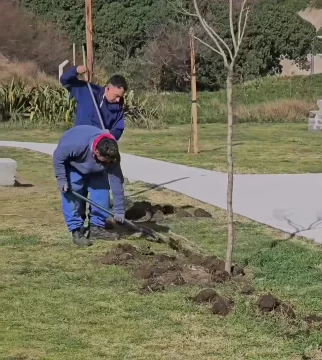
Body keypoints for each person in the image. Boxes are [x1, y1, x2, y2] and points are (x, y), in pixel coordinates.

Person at [53, 125, 126, 247]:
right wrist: (61, 179)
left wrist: (119, 210)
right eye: (105, 160)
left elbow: (117, 181)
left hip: (97, 171)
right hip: (73, 165)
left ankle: (96, 228)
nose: (109, 164)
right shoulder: (75, 144)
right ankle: (76, 230)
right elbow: (58, 157)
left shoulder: (112, 154)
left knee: (102, 195)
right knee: (72, 198)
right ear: (97, 152)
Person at [60, 65, 128, 140]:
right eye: (117, 96)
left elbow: (119, 129)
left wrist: (110, 134)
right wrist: (76, 70)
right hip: (79, 140)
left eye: (120, 97)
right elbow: (64, 81)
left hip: (98, 145)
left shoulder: (118, 109)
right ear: (107, 88)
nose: (118, 100)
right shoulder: (87, 90)